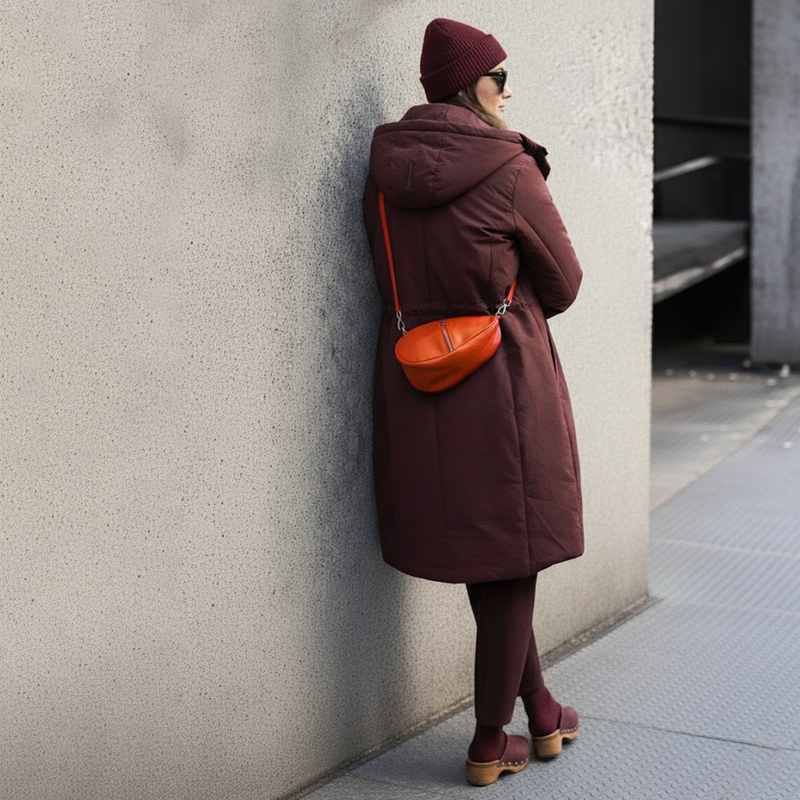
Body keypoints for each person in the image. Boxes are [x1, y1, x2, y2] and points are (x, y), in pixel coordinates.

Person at [363, 18, 583, 787]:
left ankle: (544, 710)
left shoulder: (382, 169)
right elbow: (565, 283)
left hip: (416, 379)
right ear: (471, 87)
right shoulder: (508, 166)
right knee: (513, 554)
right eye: (499, 77)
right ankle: (490, 742)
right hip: (501, 388)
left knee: (491, 554)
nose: (508, 90)